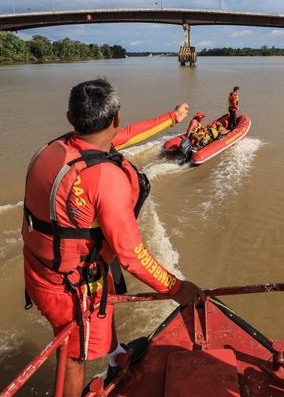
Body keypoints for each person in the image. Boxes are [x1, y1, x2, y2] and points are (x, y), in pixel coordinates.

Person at [22, 79, 205, 397]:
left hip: (42, 270)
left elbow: (126, 136)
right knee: (73, 356)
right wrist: (177, 288)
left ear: (70, 118)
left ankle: (116, 356)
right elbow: (131, 253)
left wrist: (172, 118)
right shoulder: (106, 180)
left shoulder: (53, 149)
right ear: (115, 116)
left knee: (104, 296)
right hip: (71, 289)